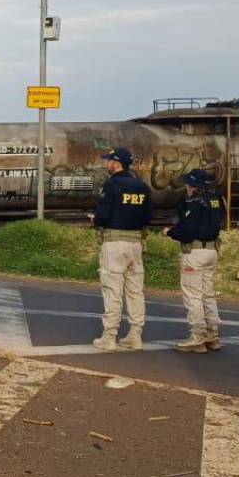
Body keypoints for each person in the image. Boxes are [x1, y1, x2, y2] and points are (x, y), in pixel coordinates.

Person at [92, 147, 154, 351]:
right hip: (136, 243)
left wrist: (95, 219)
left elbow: (103, 215)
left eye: (109, 161)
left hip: (115, 243)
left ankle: (109, 336)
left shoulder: (111, 185)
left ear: (116, 164)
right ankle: (135, 335)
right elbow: (147, 217)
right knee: (135, 291)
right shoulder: (142, 187)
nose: (106, 164)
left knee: (112, 290)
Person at [163, 169, 225, 353]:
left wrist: (170, 232)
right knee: (207, 293)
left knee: (193, 295)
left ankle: (197, 336)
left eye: (188, 184)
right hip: (211, 251)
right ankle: (213, 335)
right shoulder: (216, 200)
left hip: (195, 253)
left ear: (195, 186)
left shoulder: (193, 203)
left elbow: (186, 230)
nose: (187, 187)